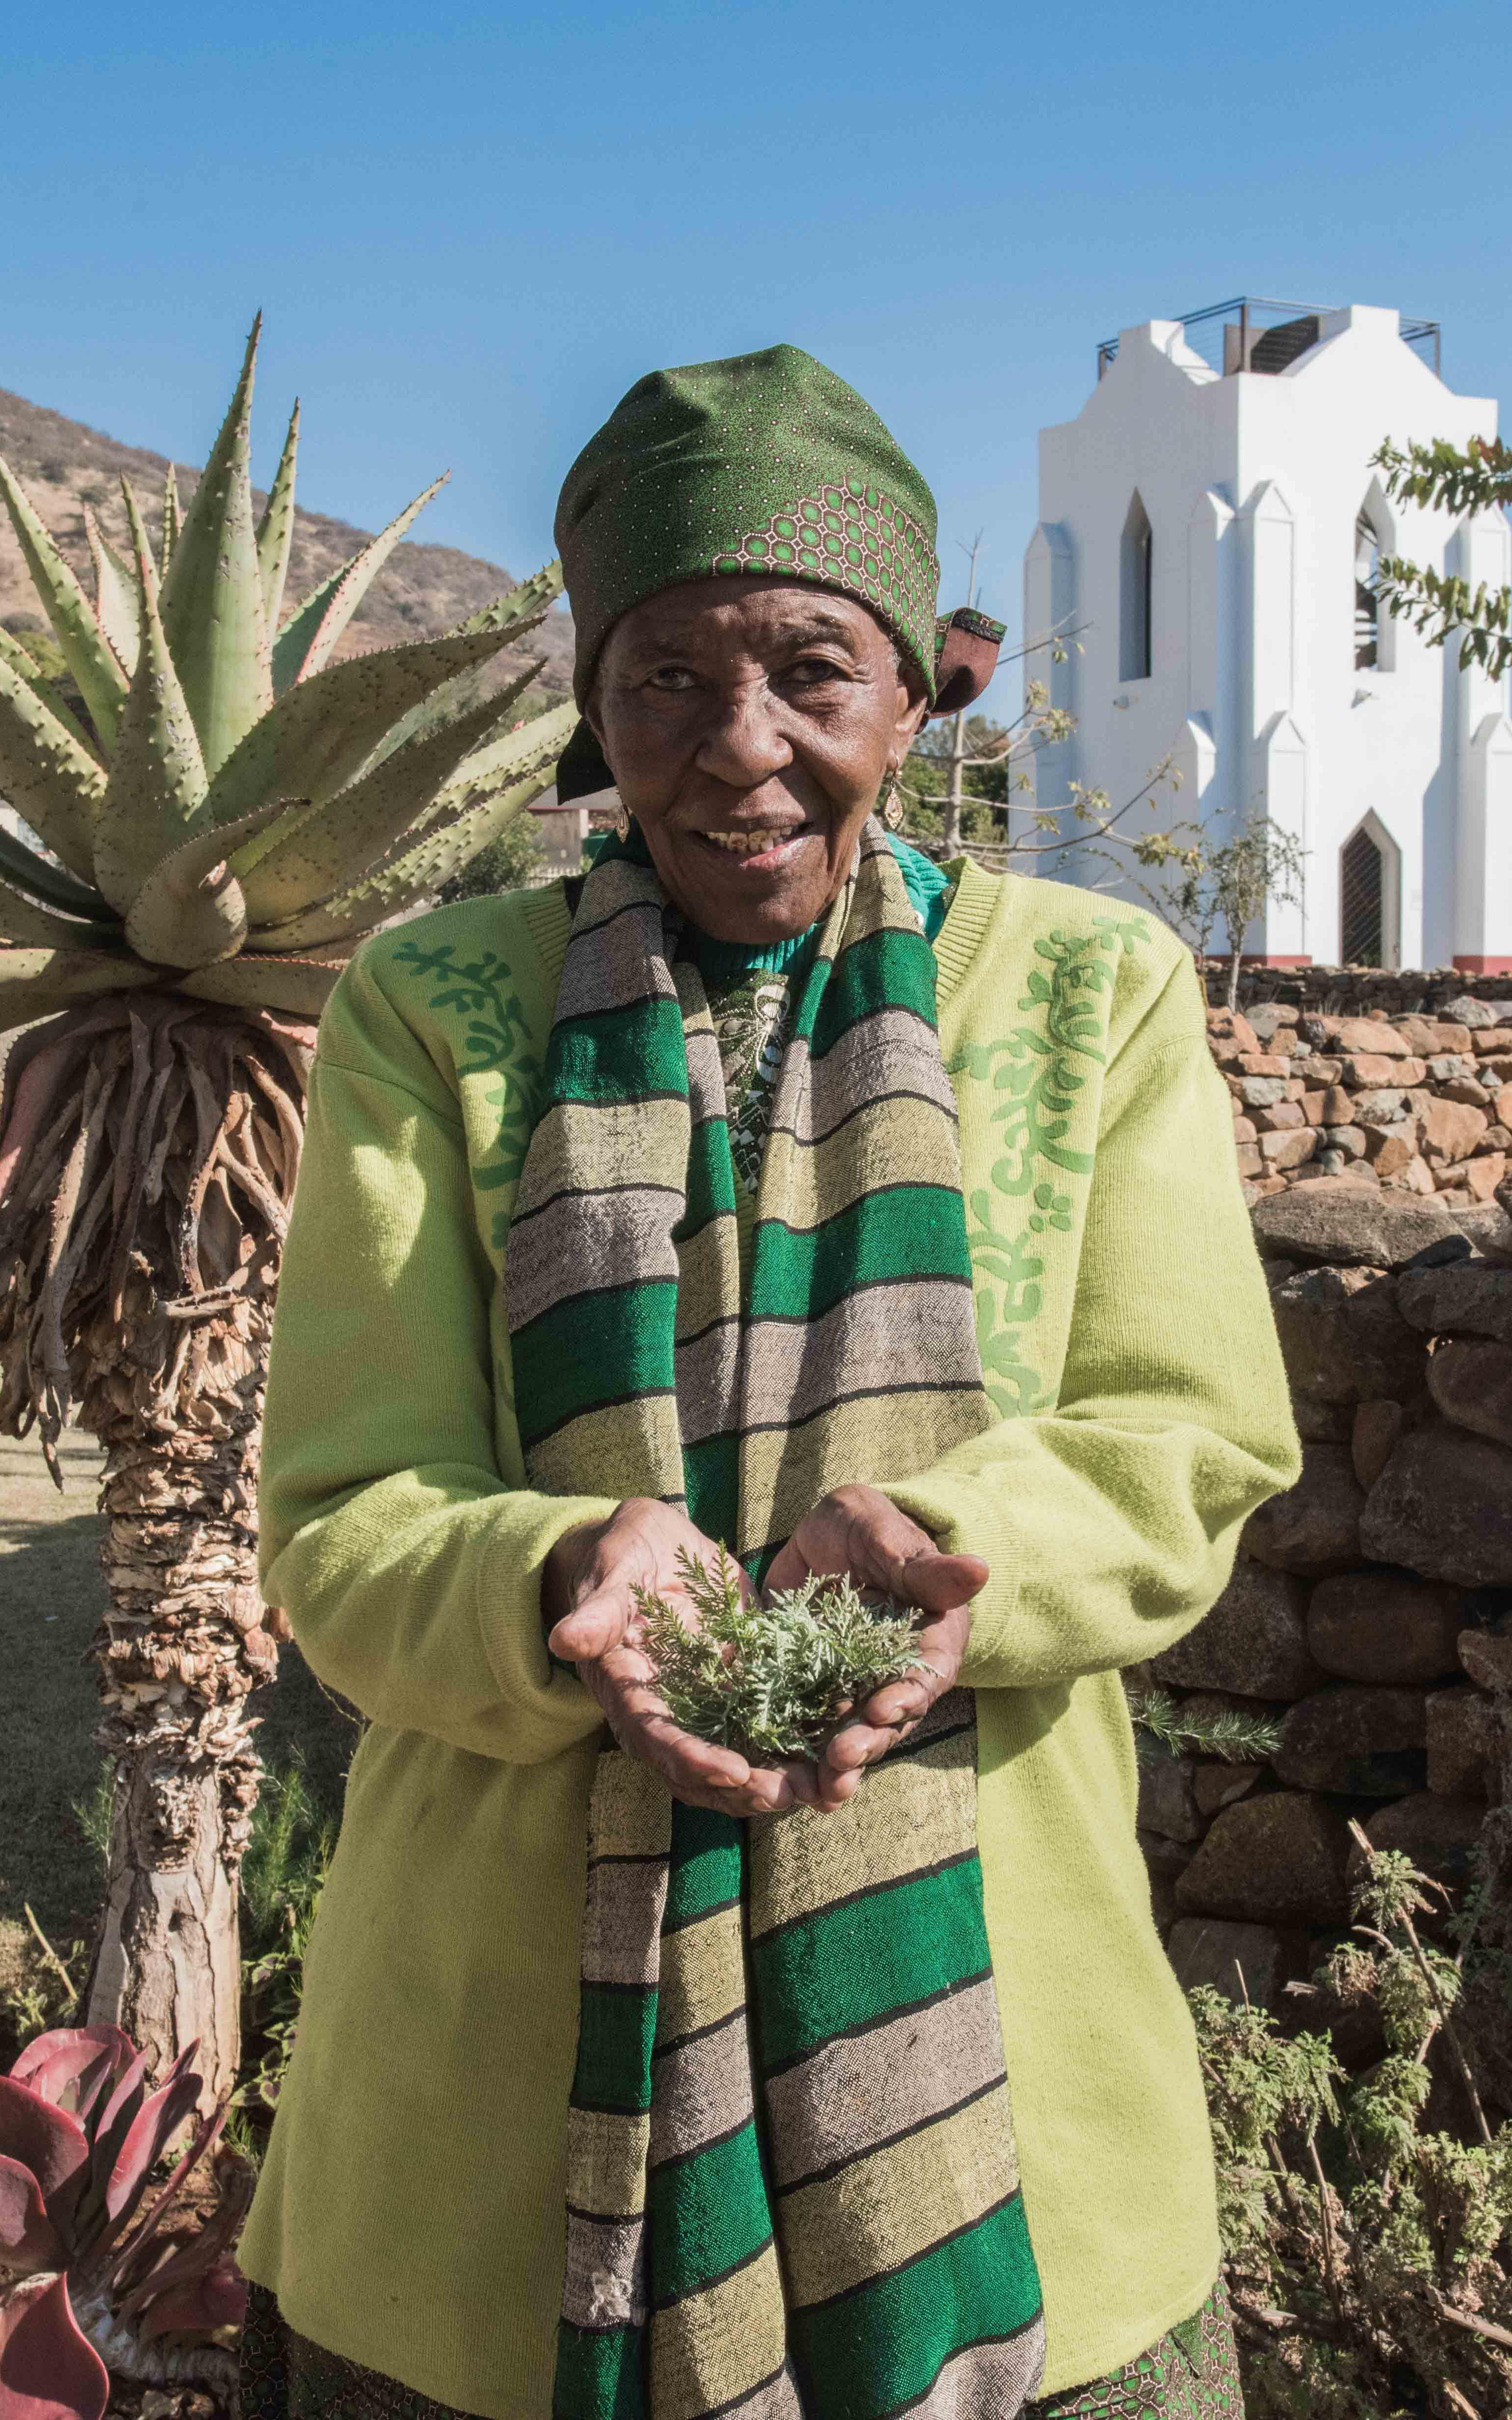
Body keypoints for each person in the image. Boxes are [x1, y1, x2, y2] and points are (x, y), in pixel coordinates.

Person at [238, 345, 1298, 2420]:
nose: (741, 749)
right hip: (492, 2138)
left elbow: (1190, 1435)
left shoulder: (1092, 992)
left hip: (1007, 2117)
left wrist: (953, 1544)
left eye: (813, 671)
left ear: (916, 690)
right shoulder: (440, 1011)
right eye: (665, 681)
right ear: (593, 706)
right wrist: (561, 1577)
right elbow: (344, 1515)